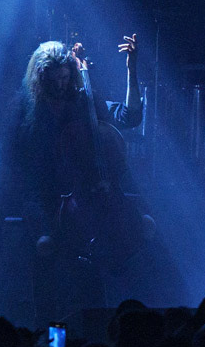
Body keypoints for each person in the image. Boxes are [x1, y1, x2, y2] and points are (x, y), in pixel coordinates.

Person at [15, 40, 150, 318]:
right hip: (46, 197)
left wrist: (131, 70)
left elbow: (129, 116)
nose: (61, 85)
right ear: (40, 79)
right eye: (54, 80)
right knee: (46, 252)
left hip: (85, 197)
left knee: (98, 273)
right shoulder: (27, 108)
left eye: (65, 78)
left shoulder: (83, 100)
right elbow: (22, 168)